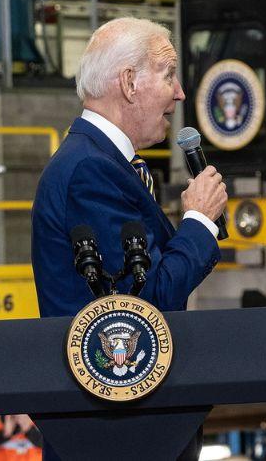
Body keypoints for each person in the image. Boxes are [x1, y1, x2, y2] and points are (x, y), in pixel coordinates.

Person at [30, 17, 227, 318]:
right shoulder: (91, 171)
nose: (179, 92)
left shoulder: (104, 161)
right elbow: (147, 304)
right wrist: (199, 219)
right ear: (129, 83)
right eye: (168, 75)